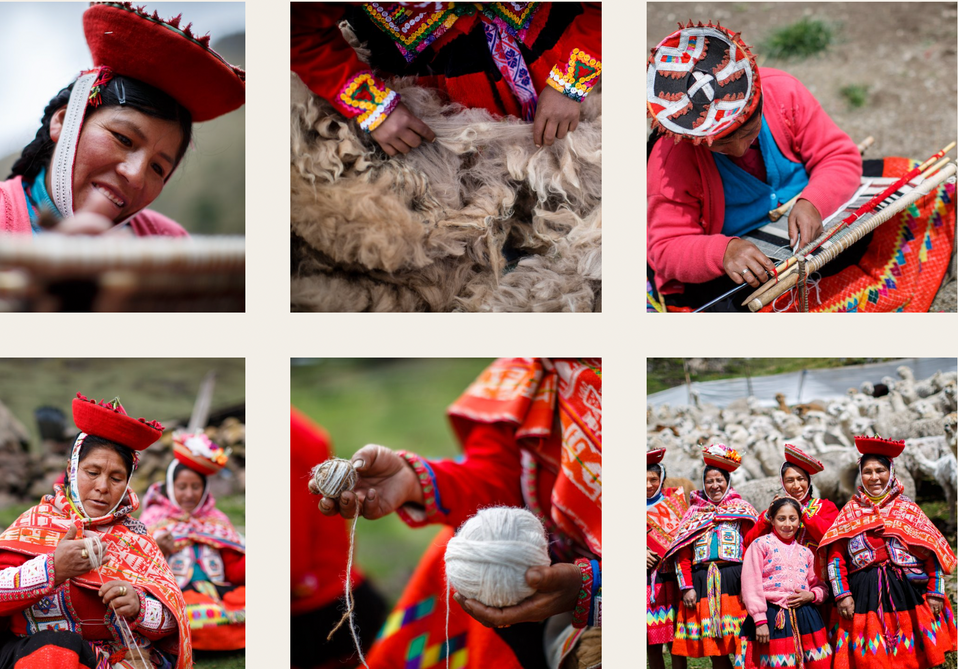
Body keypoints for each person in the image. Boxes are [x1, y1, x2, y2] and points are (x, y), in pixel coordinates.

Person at [308, 358, 601, 669]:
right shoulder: (540, 363)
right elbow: (502, 475)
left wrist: (592, 586)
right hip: (521, 562)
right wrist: (415, 482)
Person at [646, 21, 953, 312]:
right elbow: (665, 249)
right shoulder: (673, 157)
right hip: (751, 262)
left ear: (760, 99)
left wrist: (814, 202)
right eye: (722, 144)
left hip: (813, 226)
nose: (739, 148)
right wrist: (723, 253)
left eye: (748, 131)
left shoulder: (783, 93)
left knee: (924, 184)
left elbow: (838, 156)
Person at [0, 3, 245, 239]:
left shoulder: (167, 243)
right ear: (64, 120)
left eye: (157, 168)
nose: (136, 176)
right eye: (123, 139)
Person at [0, 393, 191, 669]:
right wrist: (54, 568)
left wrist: (139, 607)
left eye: (116, 478)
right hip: (36, 657)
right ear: (72, 469)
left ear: (127, 483)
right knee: (58, 649)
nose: (102, 486)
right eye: (92, 472)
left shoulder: (137, 539)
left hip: (116, 660)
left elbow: (174, 621)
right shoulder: (37, 522)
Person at [291, 3, 601, 154]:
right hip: (431, 104)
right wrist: (372, 105)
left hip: (562, 57)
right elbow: (297, 28)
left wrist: (571, 83)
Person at [818, 436, 957, 669]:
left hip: (909, 590)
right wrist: (842, 595)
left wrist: (936, 591)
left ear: (891, 472)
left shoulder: (907, 508)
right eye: (867, 471)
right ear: (860, 476)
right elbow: (835, 559)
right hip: (864, 594)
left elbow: (931, 552)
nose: (874, 477)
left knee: (914, 656)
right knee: (871, 658)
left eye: (880, 470)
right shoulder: (850, 511)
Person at [290, 407, 387, 669]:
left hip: (318, 614)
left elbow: (292, 562)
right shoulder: (298, 429)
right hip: (336, 600)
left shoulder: (290, 438)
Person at [139, 430, 246, 652]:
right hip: (180, 592)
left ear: (205, 489)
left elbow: (233, 569)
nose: (189, 494)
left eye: (195, 487)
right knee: (189, 613)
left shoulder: (215, 519)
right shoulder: (154, 518)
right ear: (171, 487)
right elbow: (142, 570)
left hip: (220, 589)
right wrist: (160, 550)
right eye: (182, 487)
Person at [661, 444, 757, 669]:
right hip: (703, 581)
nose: (714, 486)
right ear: (704, 484)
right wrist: (686, 587)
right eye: (709, 481)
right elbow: (682, 554)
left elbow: (752, 548)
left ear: (728, 482)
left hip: (736, 580)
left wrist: (749, 584)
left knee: (743, 642)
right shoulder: (694, 513)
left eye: (719, 480)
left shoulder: (741, 509)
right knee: (716, 646)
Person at [739, 497, 832, 669]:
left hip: (806, 617)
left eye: (792, 518)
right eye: (781, 518)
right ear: (772, 520)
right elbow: (751, 585)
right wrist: (760, 621)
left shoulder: (806, 553)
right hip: (772, 617)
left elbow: (821, 587)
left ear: (800, 521)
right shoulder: (760, 545)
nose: (787, 524)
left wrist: (812, 595)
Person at [743, 444, 839, 570]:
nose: (796, 486)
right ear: (782, 483)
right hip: (779, 579)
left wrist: (803, 513)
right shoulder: (774, 512)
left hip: (816, 580)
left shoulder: (825, 507)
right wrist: (767, 518)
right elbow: (750, 544)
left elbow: (831, 538)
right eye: (790, 480)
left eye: (801, 479)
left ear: (809, 482)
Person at [647, 448, 688, 669]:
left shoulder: (674, 504)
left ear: (661, 480)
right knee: (650, 643)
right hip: (646, 584)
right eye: (642, 480)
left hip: (672, 580)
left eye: (653, 479)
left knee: (675, 640)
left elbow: (684, 537)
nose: (647, 485)